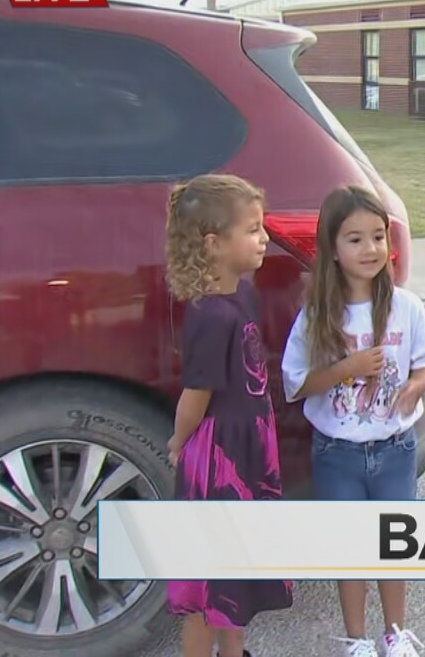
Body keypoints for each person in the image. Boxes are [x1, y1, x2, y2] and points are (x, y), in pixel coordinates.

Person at [281, 186, 425, 657]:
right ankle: (356, 639)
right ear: (331, 248)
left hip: (394, 449)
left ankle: (396, 633)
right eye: (355, 239)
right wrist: (344, 370)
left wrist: (416, 385)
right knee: (350, 550)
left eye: (377, 236)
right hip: (338, 454)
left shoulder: (406, 307)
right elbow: (295, 383)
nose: (370, 249)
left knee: (393, 546)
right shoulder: (317, 314)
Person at [163, 173, 294, 657]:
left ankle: (234, 651)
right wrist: (180, 442)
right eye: (254, 230)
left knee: (234, 575)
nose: (264, 238)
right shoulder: (210, 316)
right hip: (219, 458)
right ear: (215, 244)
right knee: (205, 581)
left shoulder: (242, 293)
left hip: (249, 445)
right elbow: (195, 394)